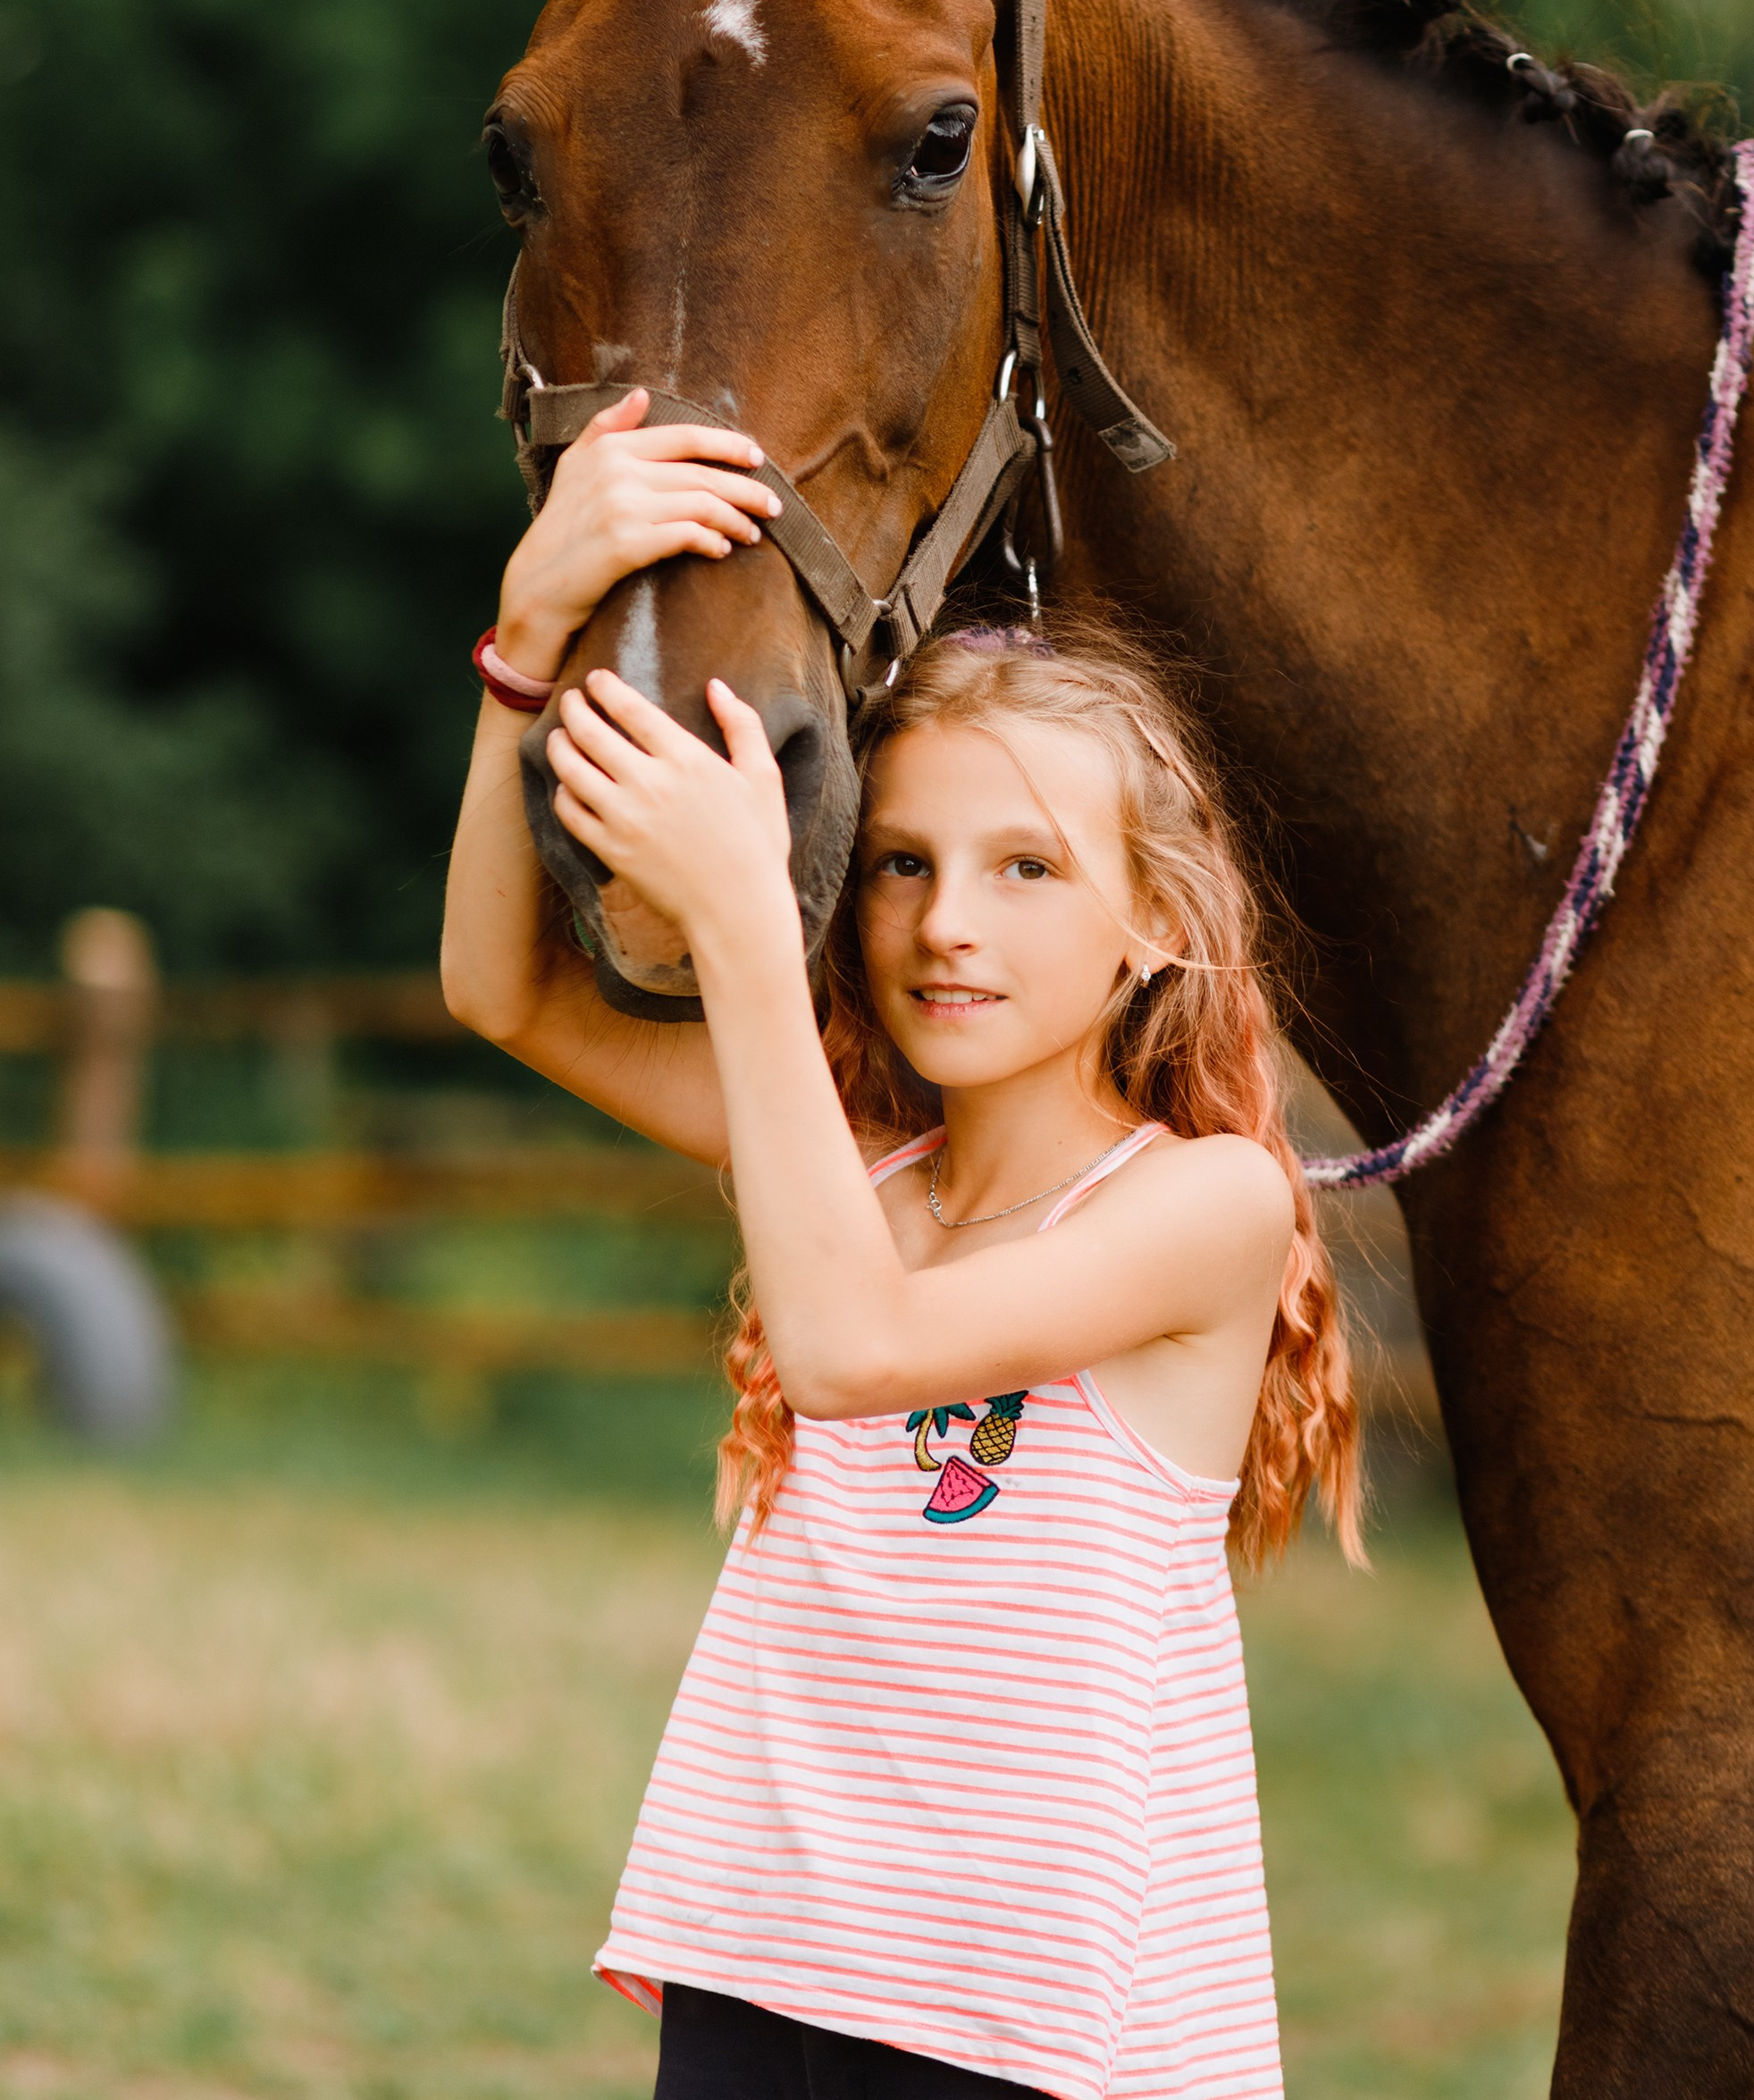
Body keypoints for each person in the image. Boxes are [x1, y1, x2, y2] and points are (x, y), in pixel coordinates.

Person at [441, 391, 1363, 2100]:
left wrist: (733, 920)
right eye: (900, 865)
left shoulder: (1204, 1209)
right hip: (763, 1946)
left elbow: (853, 1353)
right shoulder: (850, 1170)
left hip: (1016, 2021)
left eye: (1027, 868)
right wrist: (527, 635)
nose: (948, 922)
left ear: (1158, 922)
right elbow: (503, 991)